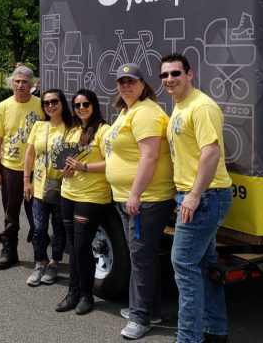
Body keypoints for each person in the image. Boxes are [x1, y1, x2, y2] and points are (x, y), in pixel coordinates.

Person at [160, 54, 234, 343]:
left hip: (205, 196)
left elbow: (211, 152)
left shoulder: (201, 107)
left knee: (184, 266)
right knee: (203, 266)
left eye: (175, 73)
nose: (169, 79)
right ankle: (215, 332)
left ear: (189, 75)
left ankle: (188, 339)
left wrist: (193, 195)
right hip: (199, 196)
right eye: (164, 75)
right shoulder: (181, 107)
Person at [103, 64, 176, 338]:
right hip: (129, 197)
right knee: (144, 257)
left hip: (146, 199)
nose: (125, 86)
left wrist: (134, 194)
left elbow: (150, 157)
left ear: (143, 85)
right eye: (121, 82)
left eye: (131, 82)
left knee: (141, 258)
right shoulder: (127, 110)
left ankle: (140, 317)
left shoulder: (145, 112)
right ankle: (151, 310)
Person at [56, 89, 110, 315]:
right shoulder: (73, 131)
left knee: (82, 247)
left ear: (94, 105)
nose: (81, 109)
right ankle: (72, 293)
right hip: (68, 193)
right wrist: (65, 168)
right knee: (73, 247)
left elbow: (113, 163)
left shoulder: (104, 131)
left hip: (92, 196)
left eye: (85, 104)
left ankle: (87, 295)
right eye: (77, 106)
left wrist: (83, 167)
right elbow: (61, 160)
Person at [0, 65, 41, 269]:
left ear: (32, 84)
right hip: (10, 168)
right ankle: (9, 251)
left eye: (24, 82)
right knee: (11, 213)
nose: (19, 85)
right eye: (16, 81)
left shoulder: (41, 105)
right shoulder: (3, 107)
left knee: (37, 213)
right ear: (12, 84)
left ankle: (40, 253)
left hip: (37, 170)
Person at [22, 89, 73, 287]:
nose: (50, 105)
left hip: (61, 187)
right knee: (39, 228)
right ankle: (39, 263)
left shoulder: (71, 128)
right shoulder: (39, 126)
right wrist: (27, 180)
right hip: (38, 186)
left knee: (59, 228)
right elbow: (30, 155)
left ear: (62, 103)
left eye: (54, 101)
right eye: (46, 103)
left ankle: (53, 263)